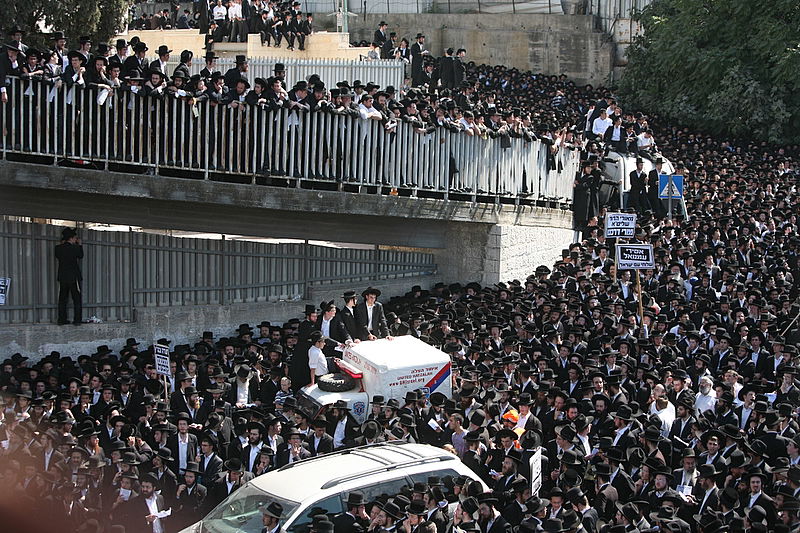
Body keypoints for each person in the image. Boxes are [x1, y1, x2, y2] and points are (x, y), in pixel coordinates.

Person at [55, 226, 83, 325]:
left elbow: (58, 255)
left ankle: (61, 319)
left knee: (62, 298)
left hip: (62, 276)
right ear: (71, 238)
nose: (76, 239)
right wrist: (80, 245)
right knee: (76, 299)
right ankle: (77, 320)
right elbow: (81, 255)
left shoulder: (58, 248)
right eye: (75, 238)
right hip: (73, 277)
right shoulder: (75, 248)